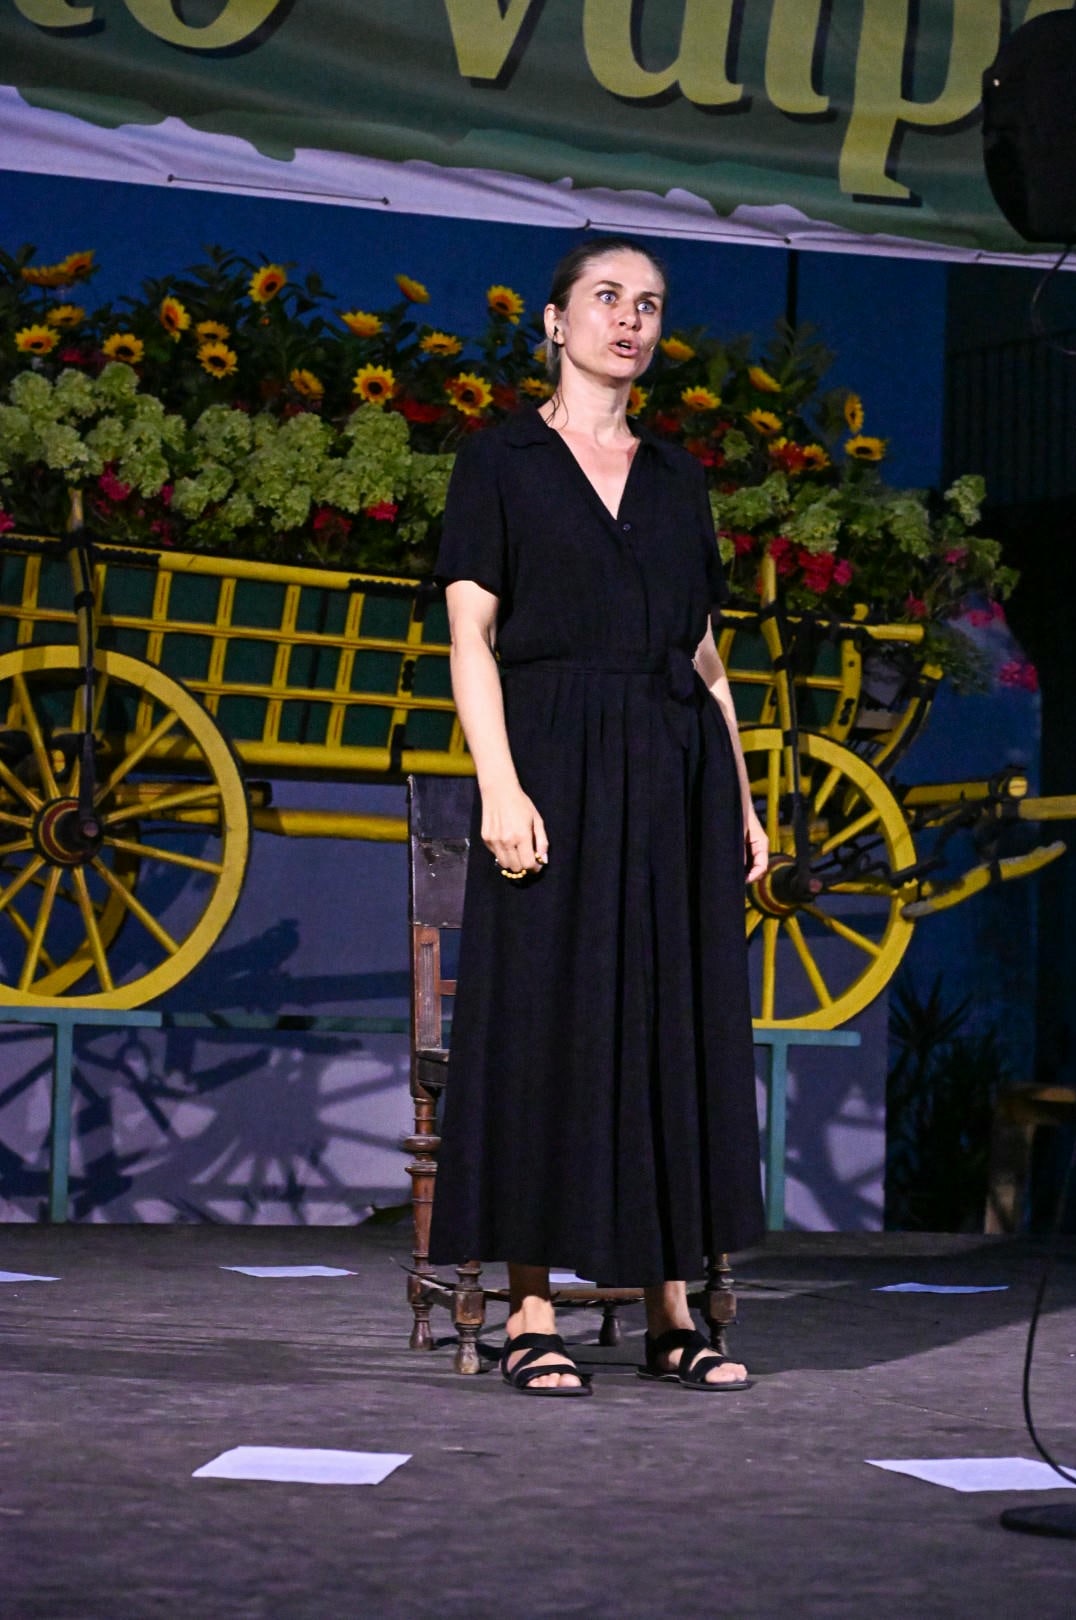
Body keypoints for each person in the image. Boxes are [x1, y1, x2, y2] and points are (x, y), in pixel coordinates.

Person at [428, 238, 769, 1397]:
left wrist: (743, 798)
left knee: (672, 1024)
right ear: (554, 320)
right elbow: (471, 636)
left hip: (674, 774)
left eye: (650, 305)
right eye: (608, 298)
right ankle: (533, 1314)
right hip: (555, 765)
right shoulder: (503, 459)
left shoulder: (677, 476)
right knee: (541, 1025)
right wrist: (499, 783)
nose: (630, 320)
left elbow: (706, 657)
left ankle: (673, 1312)